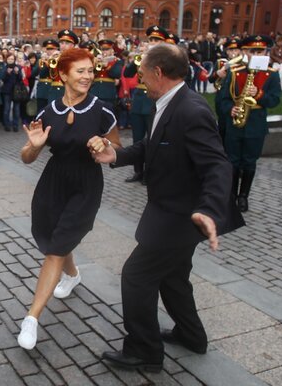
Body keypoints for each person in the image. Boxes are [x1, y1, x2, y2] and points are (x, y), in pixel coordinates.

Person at [88, 43, 244, 372]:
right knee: (173, 278)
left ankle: (144, 351)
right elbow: (152, 145)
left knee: (136, 276)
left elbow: (218, 166)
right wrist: (115, 155)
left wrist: (210, 210)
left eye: (143, 73)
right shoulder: (170, 101)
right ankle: (191, 335)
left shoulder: (192, 110)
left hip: (180, 217)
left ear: (158, 72)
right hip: (171, 212)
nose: (140, 79)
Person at [17, 47, 120, 350]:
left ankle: (32, 318)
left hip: (86, 184)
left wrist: (103, 144)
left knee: (56, 249)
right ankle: (72, 275)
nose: (89, 76)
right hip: (53, 181)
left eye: (91, 70)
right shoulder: (48, 111)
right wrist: (34, 145)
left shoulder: (103, 110)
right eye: (81, 71)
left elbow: (116, 147)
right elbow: (26, 157)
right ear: (63, 74)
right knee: (53, 239)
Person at [218, 35, 282, 212]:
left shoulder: (271, 75)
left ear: (265, 52)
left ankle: (243, 196)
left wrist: (259, 94)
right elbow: (223, 99)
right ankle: (230, 195)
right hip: (235, 123)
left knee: (249, 162)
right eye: (252, 51)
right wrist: (230, 109)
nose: (256, 54)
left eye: (260, 51)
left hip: (255, 124)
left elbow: (275, 100)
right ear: (245, 52)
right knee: (232, 161)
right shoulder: (235, 72)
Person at [121, 26, 169, 183]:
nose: (153, 43)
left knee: (153, 138)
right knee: (137, 137)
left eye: (157, 40)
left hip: (155, 100)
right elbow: (128, 74)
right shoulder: (142, 57)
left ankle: (150, 172)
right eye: (151, 40)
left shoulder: (167, 59)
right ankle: (138, 171)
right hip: (140, 100)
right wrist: (137, 60)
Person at [46, 29, 79, 103]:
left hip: (70, 91)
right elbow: (51, 75)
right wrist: (51, 58)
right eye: (62, 43)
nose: (63, 46)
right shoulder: (56, 56)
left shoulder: (76, 59)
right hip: (55, 91)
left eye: (67, 43)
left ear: (73, 45)